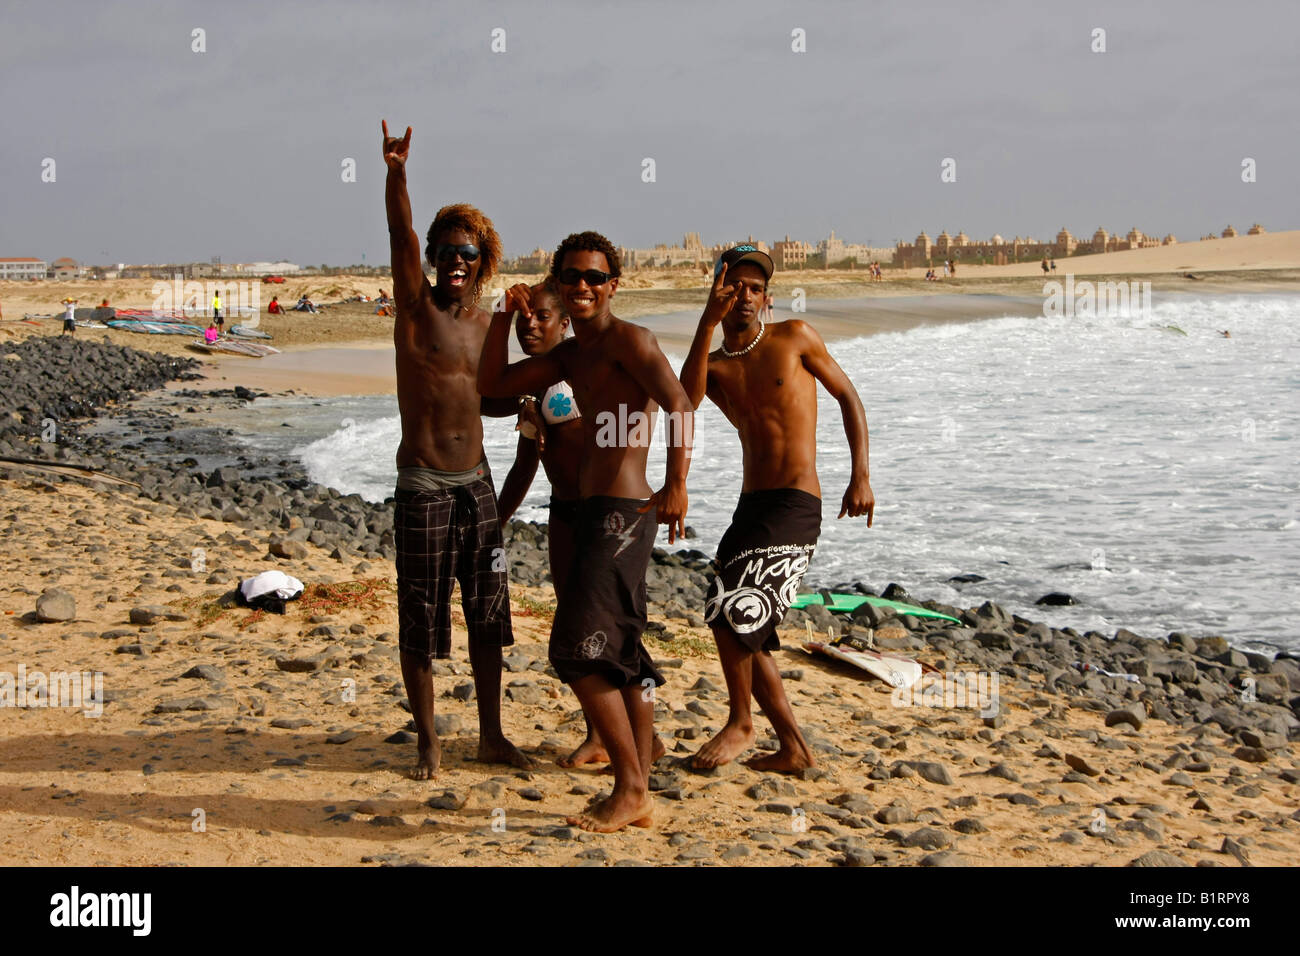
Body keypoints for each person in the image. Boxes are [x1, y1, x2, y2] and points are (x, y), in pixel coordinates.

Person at [479, 230, 694, 832]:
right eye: (571, 276)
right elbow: (491, 385)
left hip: (624, 513)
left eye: (594, 278)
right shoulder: (569, 359)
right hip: (590, 510)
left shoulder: (632, 341)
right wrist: (503, 313)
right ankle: (636, 771)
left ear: (612, 285)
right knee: (619, 650)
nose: (582, 287)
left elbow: (679, 405)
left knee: (576, 649)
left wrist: (677, 481)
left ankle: (632, 789)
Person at [679, 244, 874, 773]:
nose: (745, 295)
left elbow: (848, 398)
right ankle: (793, 749)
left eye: (755, 288)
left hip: (795, 502)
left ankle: (743, 723)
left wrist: (860, 475)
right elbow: (684, 400)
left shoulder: (795, 337)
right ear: (719, 287)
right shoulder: (717, 365)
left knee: (739, 614)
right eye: (735, 285)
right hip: (751, 506)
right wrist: (706, 320)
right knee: (733, 617)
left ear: (767, 297)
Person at [381, 118, 530, 779]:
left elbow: (484, 399)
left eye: (466, 252)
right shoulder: (415, 309)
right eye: (445, 250)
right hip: (423, 485)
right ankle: (428, 744)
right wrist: (396, 176)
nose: (454, 261)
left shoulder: (489, 326)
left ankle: (492, 735)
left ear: (482, 260)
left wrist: (527, 408)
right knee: (421, 615)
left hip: (477, 485)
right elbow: (399, 235)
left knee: (488, 612)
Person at [495, 279, 666, 770]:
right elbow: (527, 462)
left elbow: (648, 412)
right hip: (565, 515)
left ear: (565, 323)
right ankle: (600, 734)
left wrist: (672, 484)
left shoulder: (584, 377)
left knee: (611, 636)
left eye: (541, 317)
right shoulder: (541, 386)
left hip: (607, 518)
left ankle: (641, 745)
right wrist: (498, 521)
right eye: (523, 320)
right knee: (591, 629)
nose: (529, 326)